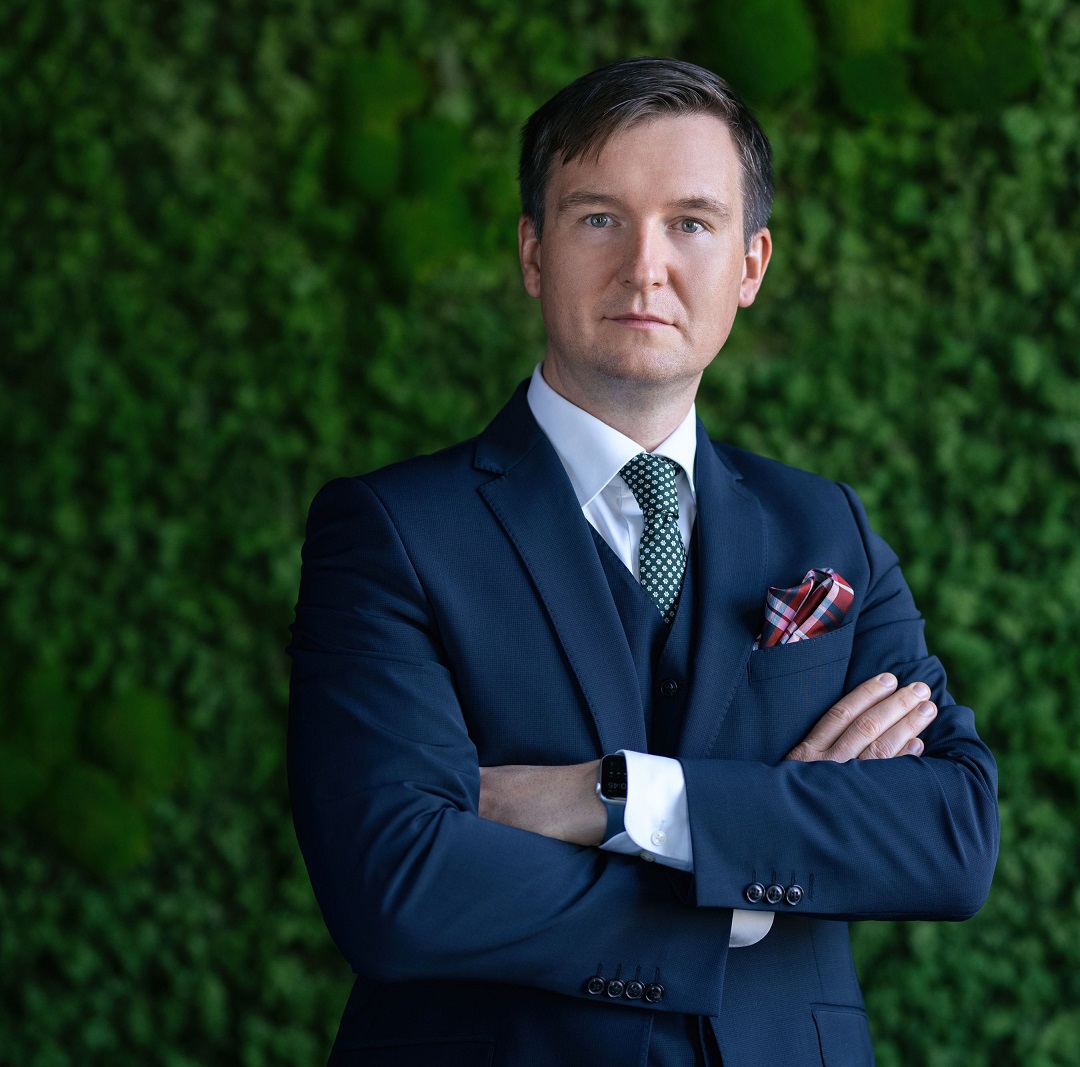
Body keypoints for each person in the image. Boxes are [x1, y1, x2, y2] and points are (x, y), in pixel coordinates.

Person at [287, 56, 999, 1067]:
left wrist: (620, 798)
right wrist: (738, 889)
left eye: (691, 223)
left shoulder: (825, 526)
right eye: (598, 218)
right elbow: (396, 883)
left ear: (751, 265)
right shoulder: (390, 530)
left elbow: (950, 834)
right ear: (533, 252)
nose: (644, 267)